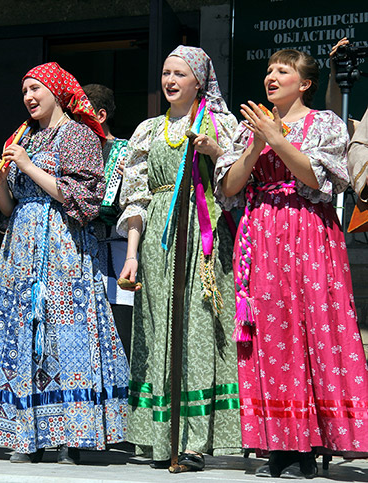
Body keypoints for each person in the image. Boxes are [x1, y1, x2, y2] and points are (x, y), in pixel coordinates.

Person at [216, 48, 368, 478]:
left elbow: (319, 178)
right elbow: (229, 187)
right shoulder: (250, 128)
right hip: (263, 234)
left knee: (315, 328)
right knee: (271, 334)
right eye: (269, 70)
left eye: (282, 71)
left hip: (309, 232)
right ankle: (279, 444)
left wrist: (278, 139)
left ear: (304, 83)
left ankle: (314, 442)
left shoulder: (325, 123)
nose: (271, 76)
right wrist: (256, 145)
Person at [0, 62, 130, 465]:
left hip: (63, 244)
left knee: (66, 333)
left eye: (35, 88)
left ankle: (72, 435)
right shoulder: (22, 136)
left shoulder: (78, 135)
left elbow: (85, 200)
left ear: (57, 91)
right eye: (24, 91)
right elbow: (6, 209)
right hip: (22, 247)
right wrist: (0, 183)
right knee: (23, 334)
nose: (28, 97)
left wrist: (28, 166)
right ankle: (28, 434)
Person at [117, 46, 241, 471]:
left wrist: (214, 151)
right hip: (159, 235)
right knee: (157, 327)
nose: (170, 80)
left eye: (180, 74)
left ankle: (193, 441)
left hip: (204, 230)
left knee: (199, 326)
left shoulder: (221, 124)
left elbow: (238, 182)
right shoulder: (148, 129)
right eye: (166, 72)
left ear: (199, 81)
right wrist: (131, 254)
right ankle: (159, 437)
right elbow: (136, 196)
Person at [82, 83, 134, 357]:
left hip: (117, 249)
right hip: (83, 252)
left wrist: (130, 180)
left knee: (120, 331)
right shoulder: (73, 154)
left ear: (100, 116)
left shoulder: (126, 151)